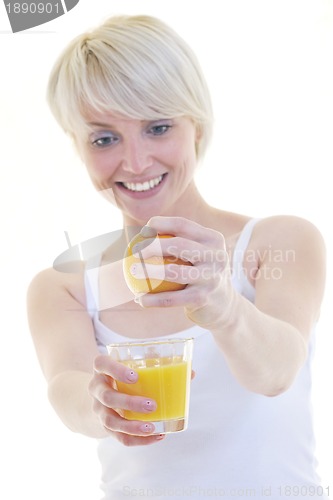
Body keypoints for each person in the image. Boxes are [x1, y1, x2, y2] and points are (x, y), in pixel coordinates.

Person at [27, 14, 327, 500]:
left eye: (158, 127)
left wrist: (225, 306)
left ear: (198, 128)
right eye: (104, 138)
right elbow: (66, 390)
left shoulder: (278, 243)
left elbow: (277, 373)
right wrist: (99, 404)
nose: (136, 162)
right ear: (79, 148)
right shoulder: (63, 286)